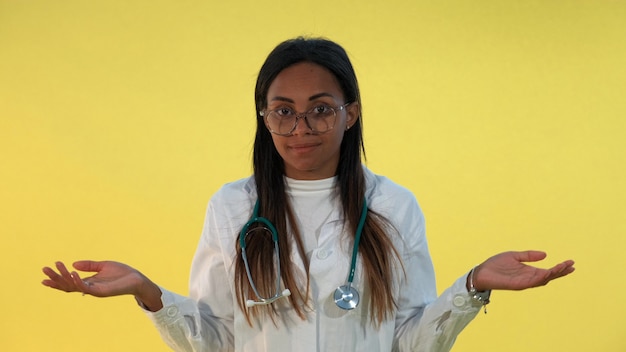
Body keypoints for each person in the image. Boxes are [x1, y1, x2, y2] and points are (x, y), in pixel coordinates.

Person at [42, 37, 575, 352]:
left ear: (351, 112)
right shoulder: (232, 206)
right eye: (283, 110)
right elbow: (219, 340)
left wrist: (472, 284)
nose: (300, 127)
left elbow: (409, 342)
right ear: (264, 117)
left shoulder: (393, 205)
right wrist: (148, 293)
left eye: (321, 107)